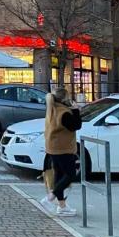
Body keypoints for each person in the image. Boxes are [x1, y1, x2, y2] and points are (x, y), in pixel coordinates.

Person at [40, 88, 82, 217]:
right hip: (63, 148)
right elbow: (76, 126)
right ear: (64, 99)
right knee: (70, 174)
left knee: (59, 175)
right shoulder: (64, 112)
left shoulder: (52, 109)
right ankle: (50, 197)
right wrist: (76, 110)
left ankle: (62, 206)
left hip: (53, 147)